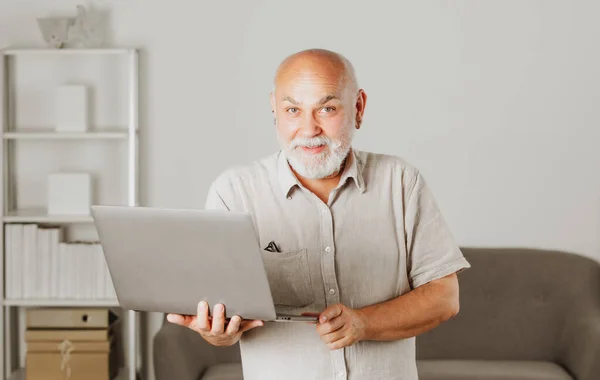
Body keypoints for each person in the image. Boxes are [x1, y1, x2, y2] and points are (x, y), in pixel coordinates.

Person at [167, 48, 471, 380]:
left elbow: (444, 298)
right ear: (274, 109)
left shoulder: (401, 182)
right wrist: (217, 332)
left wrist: (363, 322)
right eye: (293, 110)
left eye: (326, 109)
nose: (309, 129)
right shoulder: (234, 192)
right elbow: (221, 318)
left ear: (358, 107)